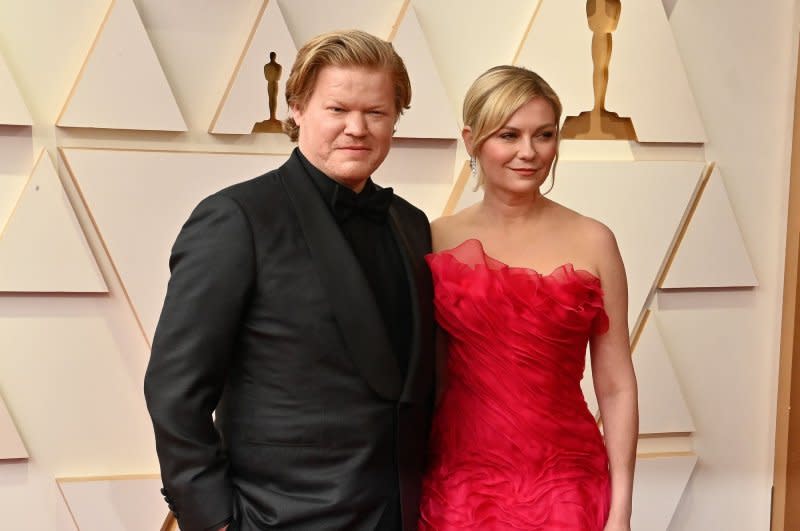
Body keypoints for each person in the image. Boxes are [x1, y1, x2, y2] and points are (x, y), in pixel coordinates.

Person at [144, 30, 435, 531]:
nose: (357, 128)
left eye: (377, 113)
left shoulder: (411, 224)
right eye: (338, 109)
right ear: (297, 108)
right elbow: (175, 390)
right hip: (277, 518)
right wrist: (215, 520)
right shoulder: (236, 219)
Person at [418, 65, 638, 531]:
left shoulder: (595, 240)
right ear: (471, 139)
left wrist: (621, 511)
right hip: (461, 486)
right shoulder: (434, 239)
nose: (528, 152)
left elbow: (616, 386)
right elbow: (431, 380)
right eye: (508, 135)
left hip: (567, 484)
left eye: (544, 135)